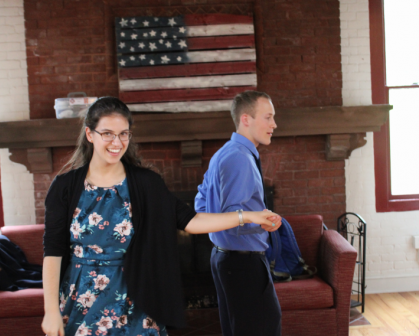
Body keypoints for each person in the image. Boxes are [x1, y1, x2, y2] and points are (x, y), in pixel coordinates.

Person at [41, 97, 281, 336]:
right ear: (90, 134)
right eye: (107, 133)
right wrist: (50, 310)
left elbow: (191, 221)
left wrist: (249, 216)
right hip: (80, 301)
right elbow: (53, 251)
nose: (117, 142)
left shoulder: (146, 183)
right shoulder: (65, 187)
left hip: (136, 301)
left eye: (124, 134)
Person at [194, 90, 282, 336]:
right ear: (246, 119)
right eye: (268, 117)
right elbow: (234, 221)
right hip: (243, 263)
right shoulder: (240, 158)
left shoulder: (224, 152)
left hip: (226, 260)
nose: (274, 124)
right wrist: (262, 223)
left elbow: (200, 205)